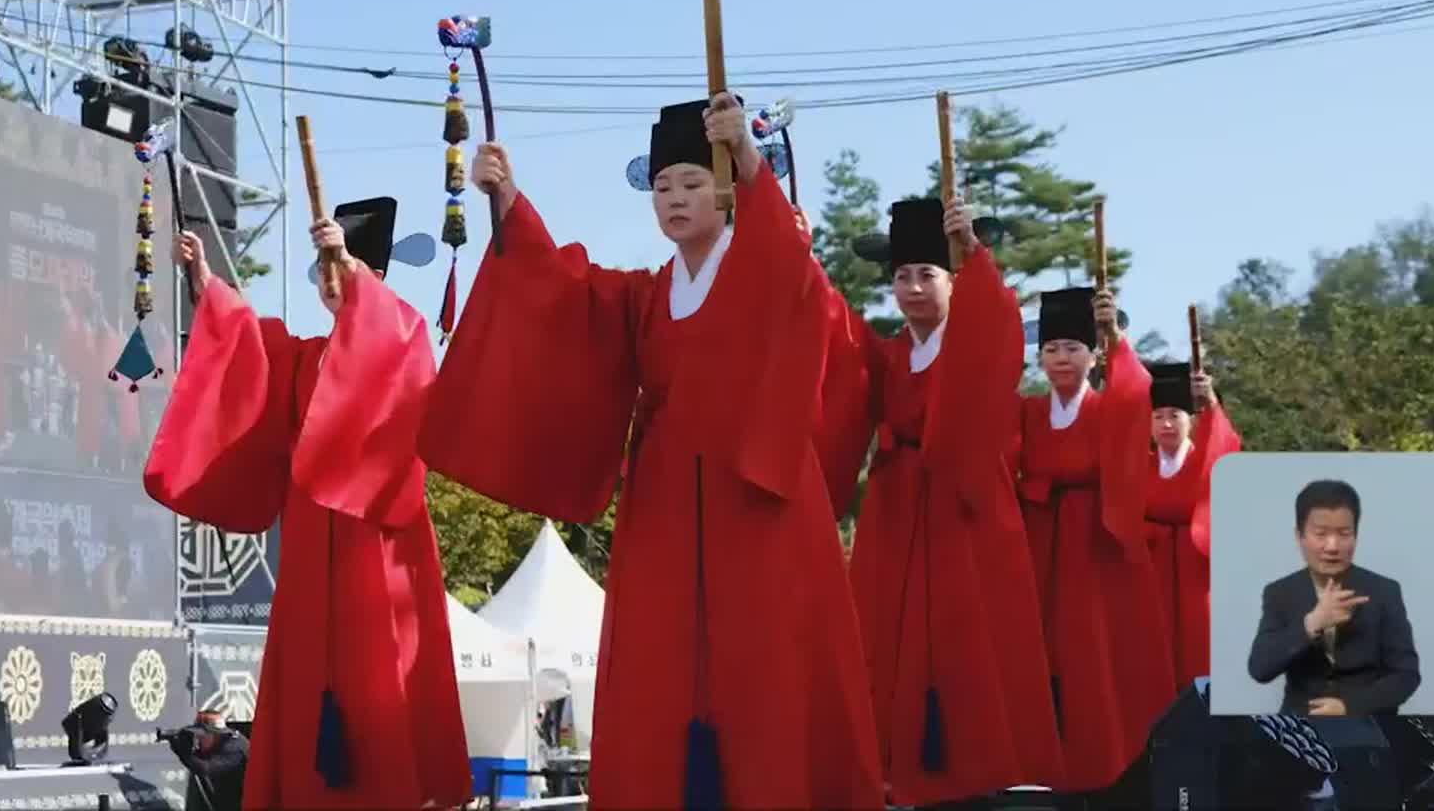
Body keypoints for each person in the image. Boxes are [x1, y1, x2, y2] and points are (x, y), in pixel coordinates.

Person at [420, 96, 886, 808]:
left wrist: (752, 157)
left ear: (728, 191)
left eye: (692, 184)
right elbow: (563, 292)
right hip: (666, 501)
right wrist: (510, 200)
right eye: (663, 187)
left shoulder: (764, 264)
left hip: (754, 498)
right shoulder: (649, 295)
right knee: (659, 668)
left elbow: (792, 270)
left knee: (764, 666)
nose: (673, 200)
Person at [144, 201, 469, 809]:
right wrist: (207, 286)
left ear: (374, 275)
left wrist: (349, 265)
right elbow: (247, 352)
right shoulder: (304, 356)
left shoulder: (399, 331)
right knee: (305, 671)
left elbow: (394, 361)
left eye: (344, 269)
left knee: (376, 671)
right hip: (310, 538)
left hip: (374, 539)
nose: (332, 281)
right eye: (322, 271)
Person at [834, 197, 1064, 805]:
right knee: (888, 643)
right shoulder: (889, 355)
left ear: (953, 280)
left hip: (962, 507)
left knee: (964, 644)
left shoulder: (972, 338)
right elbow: (833, 333)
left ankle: (973, 771)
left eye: (928, 274)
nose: (912, 289)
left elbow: (997, 321)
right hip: (897, 506)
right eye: (902, 276)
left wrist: (976, 253)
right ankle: (898, 768)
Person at [1014, 287, 1175, 794]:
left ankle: (1103, 762)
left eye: (1074, 349)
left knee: (1092, 651)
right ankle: (1044, 761)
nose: (1062, 359)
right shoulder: (1028, 412)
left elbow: (1136, 393)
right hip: (1040, 539)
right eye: (1052, 349)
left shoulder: (1110, 407)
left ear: (1093, 356)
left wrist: (1118, 338)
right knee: (1041, 652)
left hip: (1093, 543)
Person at [1247, 479, 1421, 716]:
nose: (1332, 546)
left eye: (1344, 534)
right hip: (1301, 729)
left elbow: (1406, 675)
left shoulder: (1384, 591)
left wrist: (1349, 707)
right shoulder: (1279, 592)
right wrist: (1312, 623)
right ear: (1300, 537)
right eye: (1320, 534)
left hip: (1367, 725)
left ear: (1356, 536)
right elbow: (1259, 669)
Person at [1142, 361, 1240, 689]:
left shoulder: (1204, 460)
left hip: (1196, 568)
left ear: (1191, 420)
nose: (1167, 424)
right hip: (1151, 569)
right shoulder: (1140, 464)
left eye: (1176, 415)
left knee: (1201, 647)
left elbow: (1222, 442)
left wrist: (1210, 402)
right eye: (1158, 416)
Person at [167, 709, 250, 811]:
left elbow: (205, 768)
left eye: (202, 737)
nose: (198, 741)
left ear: (216, 735)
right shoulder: (221, 743)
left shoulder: (234, 748)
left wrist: (183, 753)